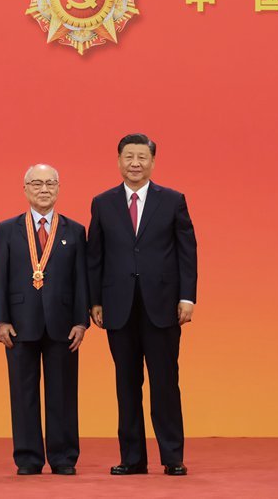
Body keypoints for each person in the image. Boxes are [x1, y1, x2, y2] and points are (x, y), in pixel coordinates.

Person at [87, 134, 198, 476]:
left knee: (165, 383)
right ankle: (132, 458)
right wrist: (95, 300)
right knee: (126, 384)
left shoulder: (173, 200)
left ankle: (172, 457)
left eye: (142, 157)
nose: (135, 163)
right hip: (118, 307)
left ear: (152, 162)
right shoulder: (102, 203)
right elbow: (95, 256)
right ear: (118, 160)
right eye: (129, 157)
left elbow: (187, 252)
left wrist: (187, 297)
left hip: (162, 306)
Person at [0, 164, 90, 475]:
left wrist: (81, 321)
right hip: (19, 323)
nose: (43, 189)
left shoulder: (75, 231)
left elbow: (81, 280)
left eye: (50, 183)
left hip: (63, 324)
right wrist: (0, 320)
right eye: (36, 184)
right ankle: (28, 457)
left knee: (63, 393)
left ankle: (63, 458)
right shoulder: (6, 229)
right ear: (25, 189)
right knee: (23, 393)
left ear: (58, 188)